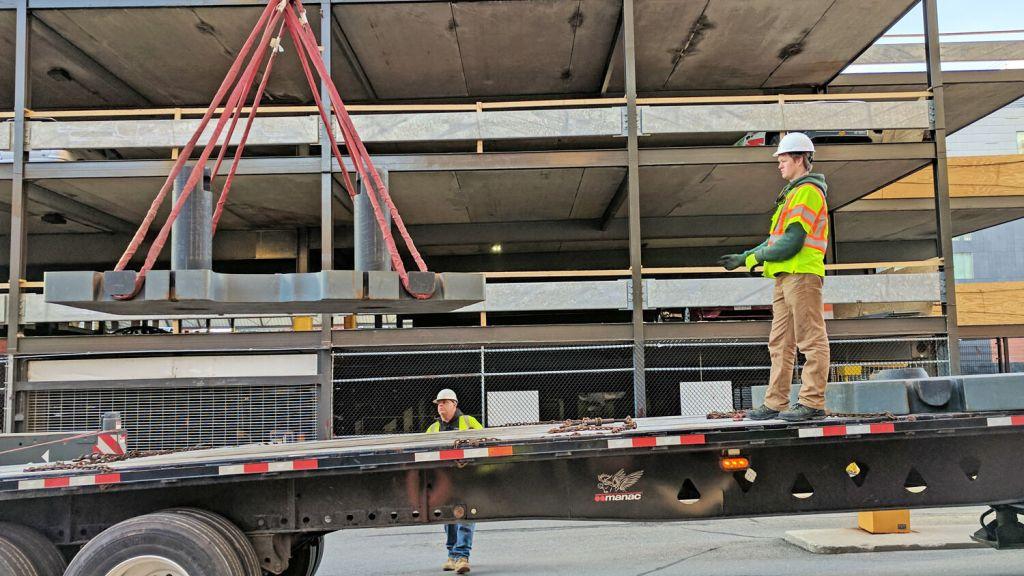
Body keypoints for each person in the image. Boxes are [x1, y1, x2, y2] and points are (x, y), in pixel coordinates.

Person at [718, 132, 831, 422]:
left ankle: (812, 403)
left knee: (810, 339)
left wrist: (754, 258)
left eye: (783, 160)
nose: (779, 165)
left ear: (800, 159)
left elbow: (791, 243)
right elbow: (775, 241)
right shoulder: (792, 194)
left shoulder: (807, 192)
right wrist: (745, 257)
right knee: (780, 342)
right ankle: (776, 402)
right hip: (785, 276)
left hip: (802, 275)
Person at [427, 388, 483, 573]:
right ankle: (452, 555)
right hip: (445, 481)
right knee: (449, 517)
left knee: (465, 516)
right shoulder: (433, 428)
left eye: (444, 402)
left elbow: (484, 443)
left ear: (454, 404)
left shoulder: (468, 422)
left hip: (467, 478)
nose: (440, 405)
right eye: (439, 403)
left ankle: (462, 556)